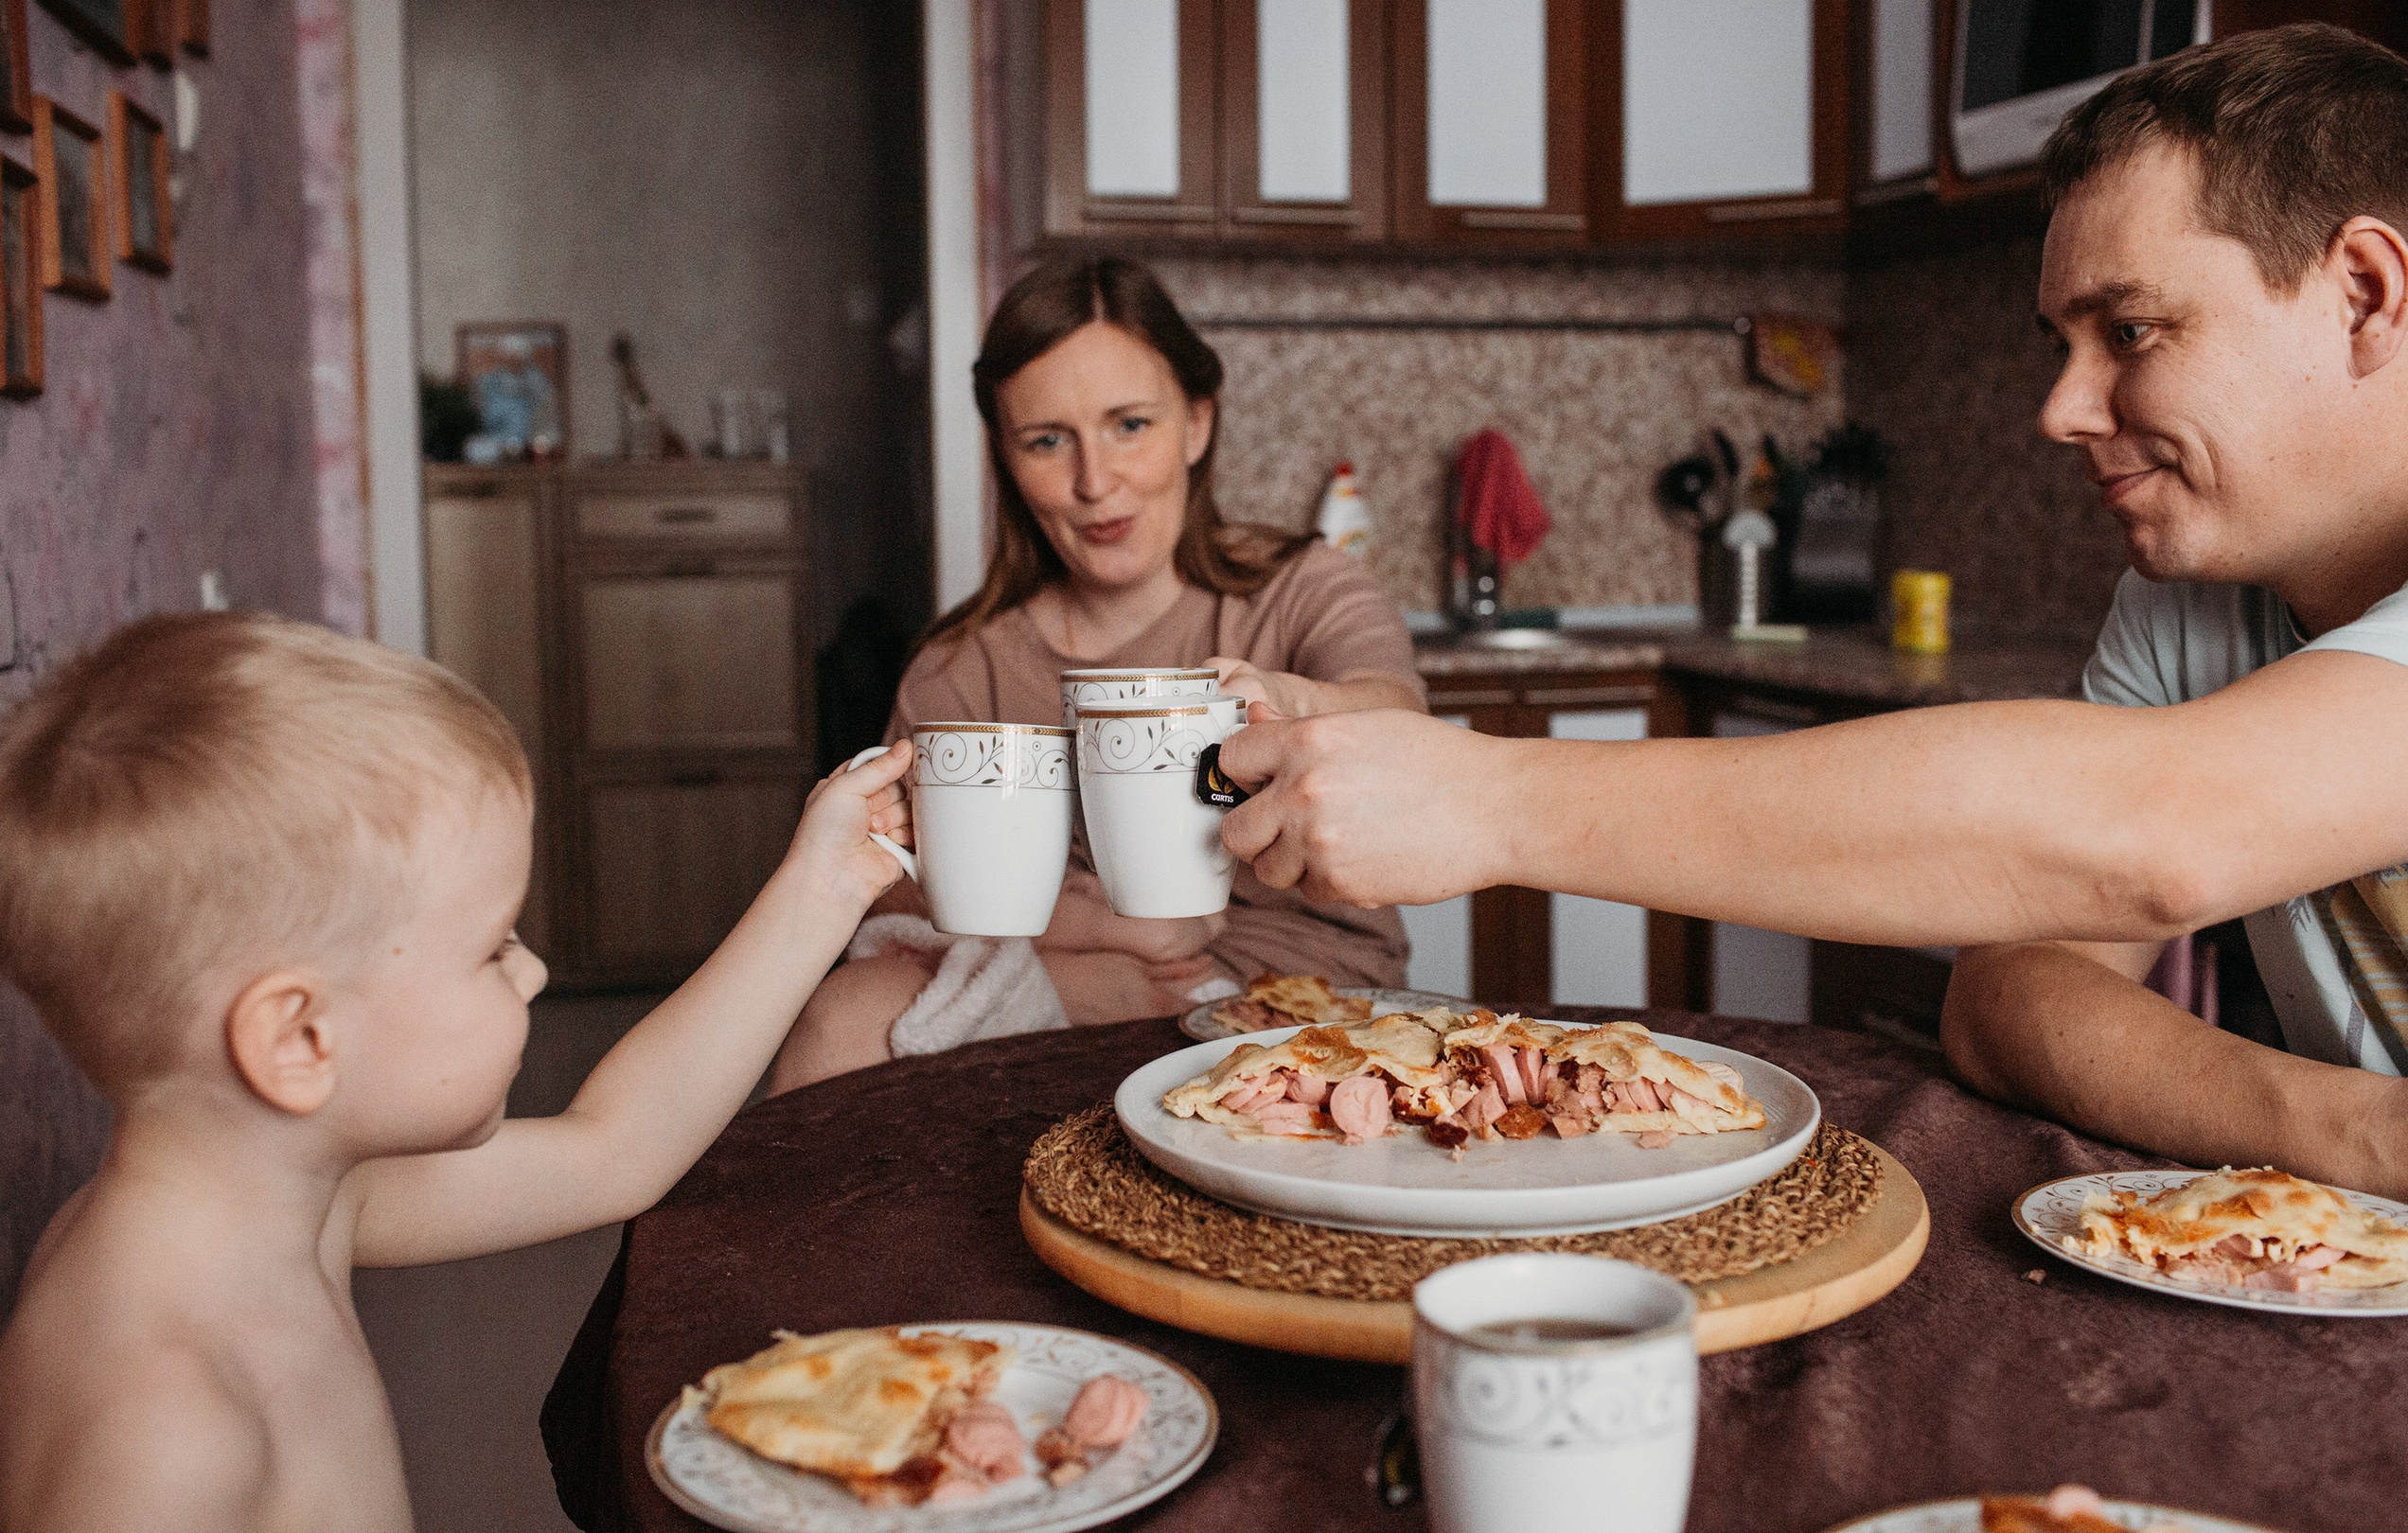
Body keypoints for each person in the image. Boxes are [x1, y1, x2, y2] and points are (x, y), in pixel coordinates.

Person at [1215, 25, 2408, 1205]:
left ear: (2364, 294)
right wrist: (2359, 1132)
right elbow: (2014, 988)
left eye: (2129, 330)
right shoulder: (2195, 606)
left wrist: (1484, 798)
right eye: (2063, 344)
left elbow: (2154, 835)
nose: (2062, 408)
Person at [0, 611, 912, 1532]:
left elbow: (614, 1152)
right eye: (492, 948)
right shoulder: (157, 1434)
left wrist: (825, 884)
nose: (532, 971)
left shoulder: (291, 1200)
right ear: (300, 1040)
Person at [769, 256, 1424, 1090]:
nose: (1093, 481)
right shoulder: (961, 667)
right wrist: (1120, 932)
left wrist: (1296, 704)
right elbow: (888, 885)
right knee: (842, 1015)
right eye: (1048, 441)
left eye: (1130, 425)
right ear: (1006, 458)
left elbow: (1393, 716)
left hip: (1304, 988)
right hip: (1083, 968)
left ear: (1197, 422)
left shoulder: (1306, 590)